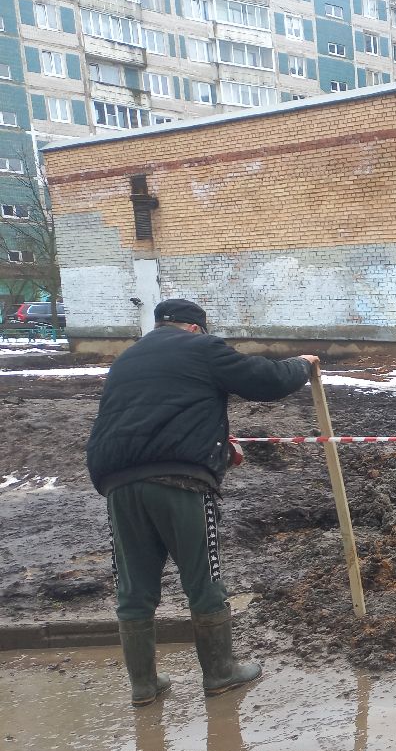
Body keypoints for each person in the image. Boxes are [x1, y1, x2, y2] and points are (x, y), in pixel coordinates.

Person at [86, 298, 318, 706]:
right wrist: (302, 364)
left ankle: (143, 684)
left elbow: (149, 416)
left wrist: (212, 444)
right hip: (181, 482)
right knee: (203, 579)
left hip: (119, 483)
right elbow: (264, 380)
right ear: (195, 327)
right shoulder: (201, 348)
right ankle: (220, 673)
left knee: (134, 585)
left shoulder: (127, 360)